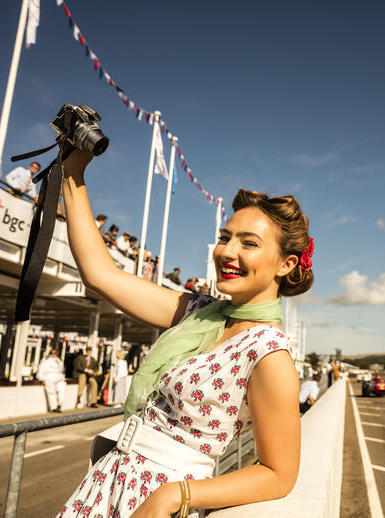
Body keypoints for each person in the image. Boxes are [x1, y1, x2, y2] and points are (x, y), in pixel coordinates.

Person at [57, 147, 314, 517]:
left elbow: (279, 474)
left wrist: (176, 495)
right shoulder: (198, 311)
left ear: (286, 264)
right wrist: (73, 171)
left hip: (160, 498)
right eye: (226, 238)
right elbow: (102, 276)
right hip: (107, 480)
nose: (227, 251)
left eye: (249, 243)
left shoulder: (268, 353)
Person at [37, 348, 67, 413]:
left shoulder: (59, 361)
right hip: (49, 377)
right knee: (51, 392)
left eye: (55, 353)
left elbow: (62, 369)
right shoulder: (46, 360)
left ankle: (59, 404)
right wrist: (41, 378)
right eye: (52, 353)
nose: (53, 355)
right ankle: (54, 407)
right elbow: (41, 369)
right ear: (50, 354)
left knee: (62, 390)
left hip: (59, 377)